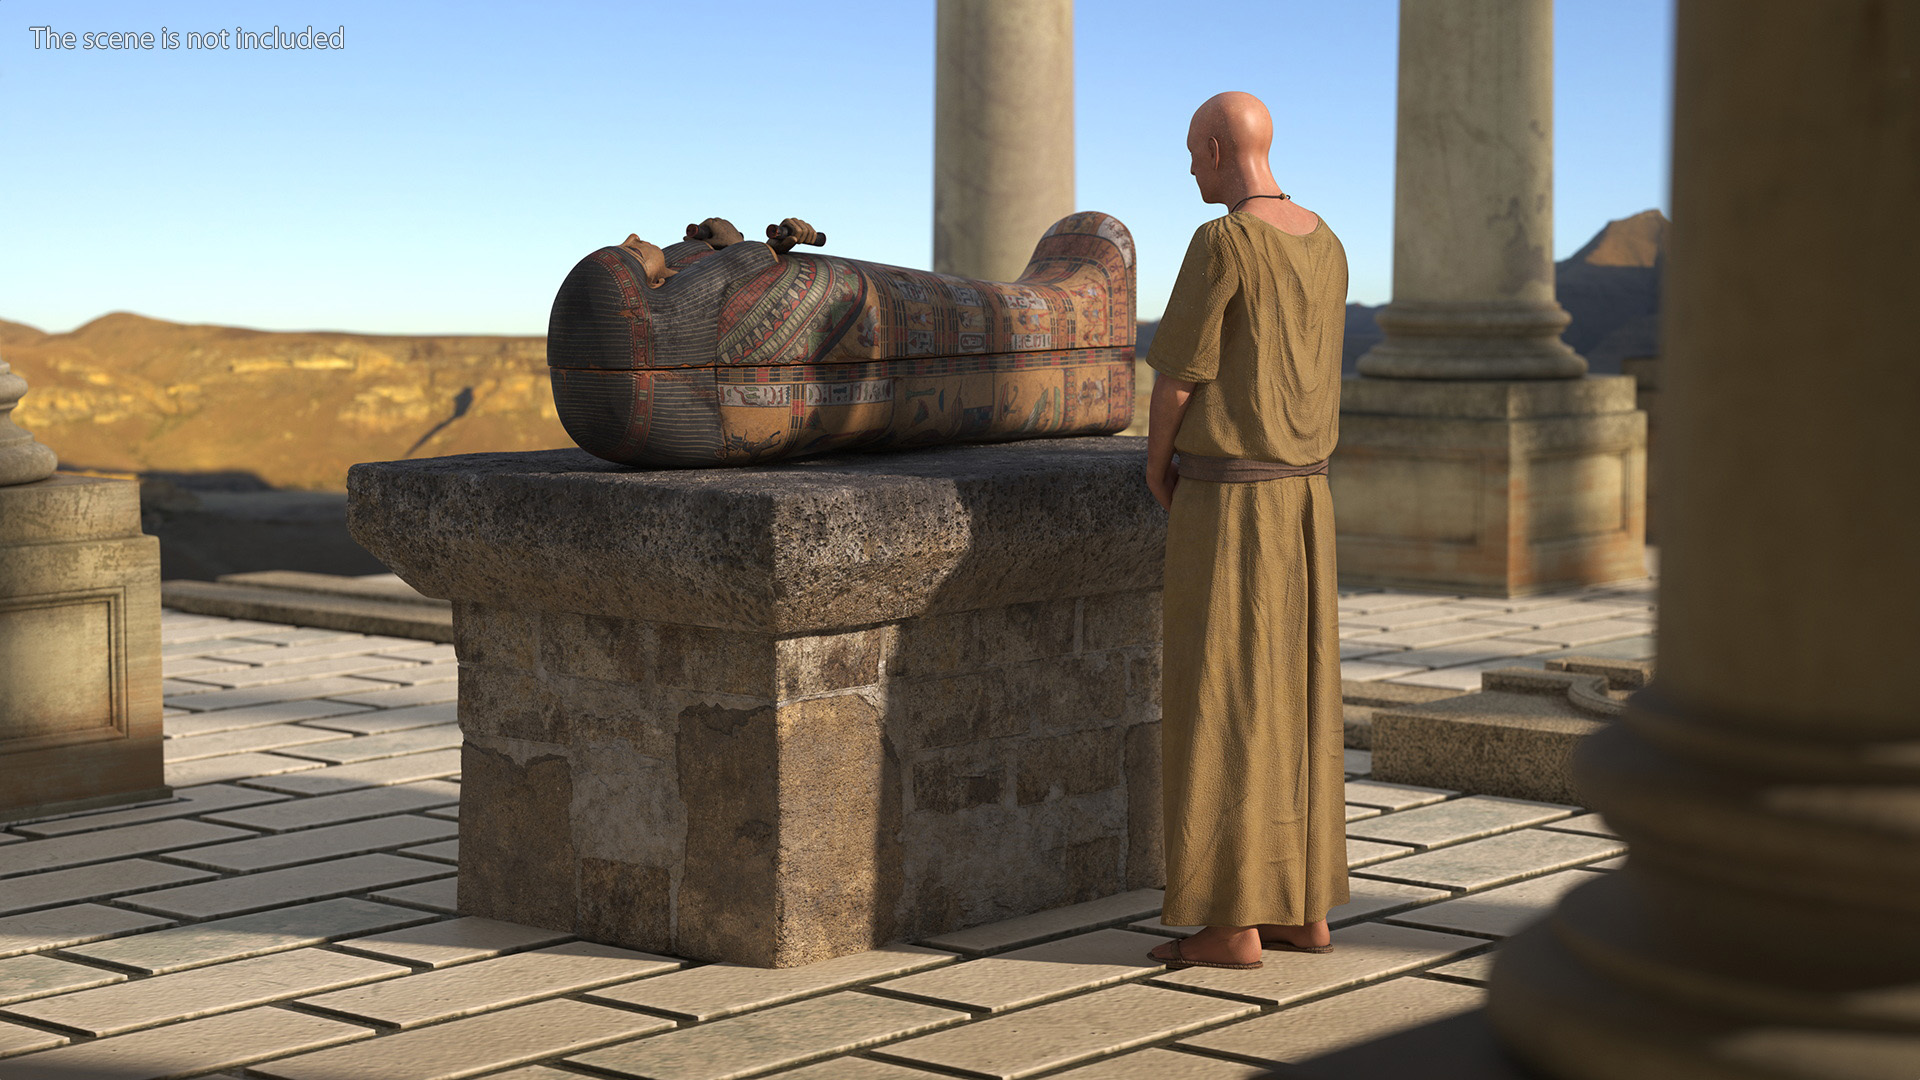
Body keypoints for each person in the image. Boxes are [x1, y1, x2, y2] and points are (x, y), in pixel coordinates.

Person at [1143, 90, 1349, 971]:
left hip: (1231, 503)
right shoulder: (1329, 241)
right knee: (1298, 701)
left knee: (1221, 700)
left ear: (1224, 149)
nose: (1190, 166)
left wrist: (1157, 464)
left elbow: (1181, 373)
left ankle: (1229, 924)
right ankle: (1303, 908)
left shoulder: (1223, 242)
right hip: (1308, 501)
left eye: (1195, 151)